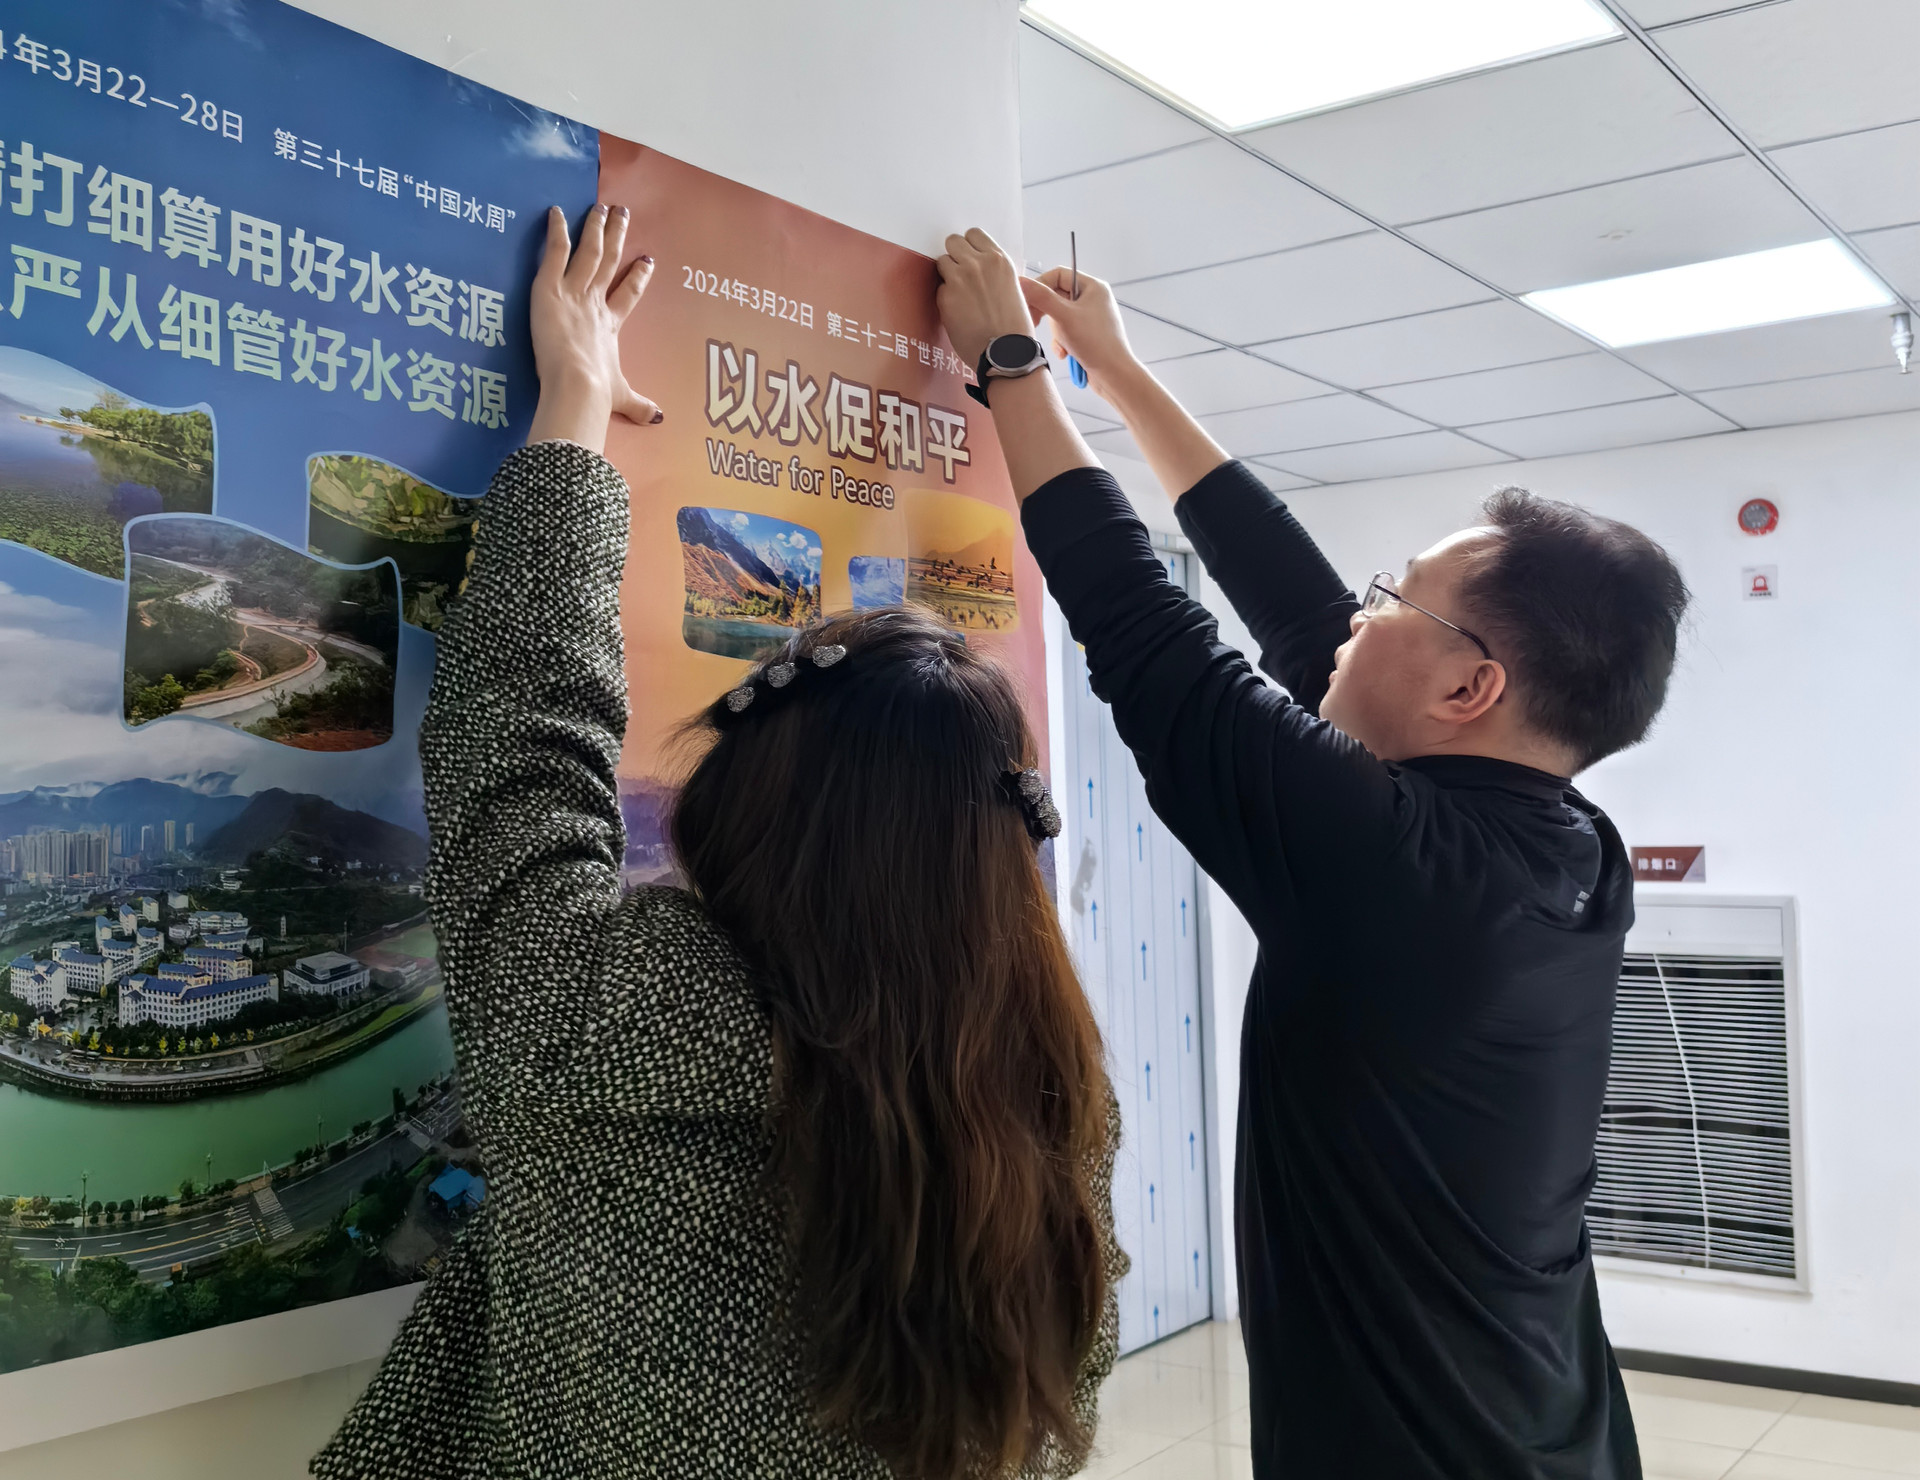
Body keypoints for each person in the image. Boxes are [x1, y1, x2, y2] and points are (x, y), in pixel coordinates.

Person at [313, 205, 1124, 1480]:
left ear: (759, 806)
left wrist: (573, 405)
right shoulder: (1046, 1091)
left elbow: (520, 740)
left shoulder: (618, 1010)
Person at [932, 227, 1691, 1480]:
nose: (1360, 611)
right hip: (1552, 1432)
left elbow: (1148, 632)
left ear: (1468, 688)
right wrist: (1111, 366)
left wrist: (1011, 364)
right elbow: (1298, 606)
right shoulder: (1567, 846)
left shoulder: (1402, 868)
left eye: (1394, 598)